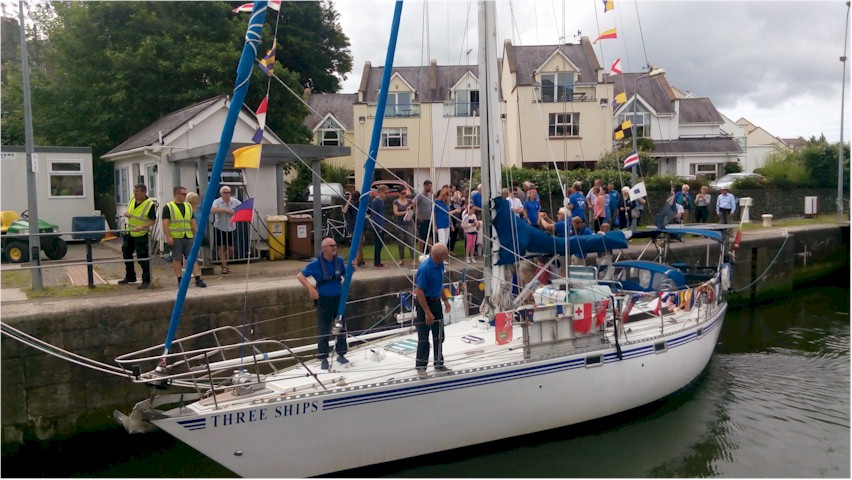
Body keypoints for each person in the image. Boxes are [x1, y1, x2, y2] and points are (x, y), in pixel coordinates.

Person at [296, 237, 354, 370]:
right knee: (324, 328)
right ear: (324, 248)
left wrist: (353, 268)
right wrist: (310, 287)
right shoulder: (315, 263)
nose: (335, 247)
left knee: (341, 326)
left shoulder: (338, 261)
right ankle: (323, 357)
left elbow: (347, 275)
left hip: (338, 297)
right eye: (331, 245)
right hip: (324, 299)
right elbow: (300, 276)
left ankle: (341, 353)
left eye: (335, 244)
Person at [413, 242, 452, 377]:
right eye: (445, 254)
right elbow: (420, 292)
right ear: (439, 256)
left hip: (436, 301)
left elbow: (439, 283)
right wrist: (427, 313)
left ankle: (439, 363)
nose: (447, 256)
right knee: (423, 337)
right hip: (425, 302)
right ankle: (421, 366)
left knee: (439, 335)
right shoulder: (426, 269)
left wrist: (445, 299)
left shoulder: (439, 264)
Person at [162, 186, 207, 288]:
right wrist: (168, 237)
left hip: (188, 236)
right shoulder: (168, 207)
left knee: (192, 258)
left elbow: (192, 221)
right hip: (176, 237)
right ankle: (180, 279)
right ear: (176, 194)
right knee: (177, 258)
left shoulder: (188, 206)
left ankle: (198, 279)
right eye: (183, 194)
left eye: (185, 194)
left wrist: (199, 235)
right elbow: (165, 223)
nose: (185, 196)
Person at [119, 184, 156, 289]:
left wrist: (142, 226)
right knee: (126, 253)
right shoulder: (132, 199)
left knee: (142, 257)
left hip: (141, 234)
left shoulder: (149, 204)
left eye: (137, 192)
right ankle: (130, 276)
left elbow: (152, 221)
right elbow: (130, 211)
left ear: (143, 192)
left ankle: (146, 280)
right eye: (134, 191)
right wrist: (126, 213)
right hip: (129, 232)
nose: (134, 193)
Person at [211, 186, 241, 274]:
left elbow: (242, 207)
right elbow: (213, 210)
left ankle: (224, 262)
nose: (228, 194)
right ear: (221, 194)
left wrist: (235, 211)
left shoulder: (234, 201)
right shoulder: (217, 201)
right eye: (225, 193)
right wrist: (225, 211)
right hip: (220, 227)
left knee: (231, 248)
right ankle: (224, 265)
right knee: (221, 247)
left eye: (229, 192)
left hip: (231, 227)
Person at [183, 192, 207, 287]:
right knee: (191, 254)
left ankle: (196, 274)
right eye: (195, 198)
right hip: (189, 233)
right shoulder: (186, 208)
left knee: (196, 253)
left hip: (199, 231)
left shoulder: (199, 208)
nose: (197, 200)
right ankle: (190, 272)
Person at [393, 188, 416, 268]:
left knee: (411, 242)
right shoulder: (396, 202)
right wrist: (405, 212)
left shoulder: (410, 201)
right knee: (401, 243)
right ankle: (402, 259)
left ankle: (413, 259)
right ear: (399, 193)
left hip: (409, 224)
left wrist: (410, 210)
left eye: (405, 193)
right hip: (400, 224)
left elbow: (413, 211)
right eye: (402, 193)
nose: (404, 194)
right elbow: (396, 213)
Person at [342, 190, 365, 266]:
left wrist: (348, 200)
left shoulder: (351, 204)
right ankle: (360, 259)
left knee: (357, 244)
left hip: (353, 225)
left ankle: (359, 260)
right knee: (359, 243)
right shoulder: (361, 204)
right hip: (359, 225)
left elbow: (344, 211)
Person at [369, 184, 389, 268]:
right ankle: (376, 262)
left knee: (380, 244)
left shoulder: (381, 201)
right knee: (378, 244)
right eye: (385, 193)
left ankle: (378, 261)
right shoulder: (375, 202)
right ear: (380, 192)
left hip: (382, 224)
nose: (386, 195)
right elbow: (374, 215)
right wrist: (378, 227)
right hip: (378, 226)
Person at [414, 180, 434, 256]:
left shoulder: (430, 195)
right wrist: (418, 215)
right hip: (423, 219)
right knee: (422, 237)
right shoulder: (420, 195)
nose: (430, 188)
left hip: (429, 219)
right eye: (429, 186)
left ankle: (431, 252)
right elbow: (413, 204)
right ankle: (421, 252)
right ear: (425, 186)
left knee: (430, 236)